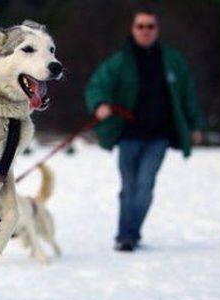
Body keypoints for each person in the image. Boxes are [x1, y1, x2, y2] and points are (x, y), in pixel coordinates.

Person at [84, 7, 205, 252]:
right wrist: (100, 104)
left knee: (145, 185)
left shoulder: (172, 60)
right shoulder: (120, 61)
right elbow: (98, 84)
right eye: (140, 26)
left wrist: (195, 125)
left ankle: (130, 233)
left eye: (150, 26)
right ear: (133, 29)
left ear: (157, 30)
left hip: (158, 137)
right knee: (129, 186)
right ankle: (125, 236)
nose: (145, 31)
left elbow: (188, 95)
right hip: (128, 136)